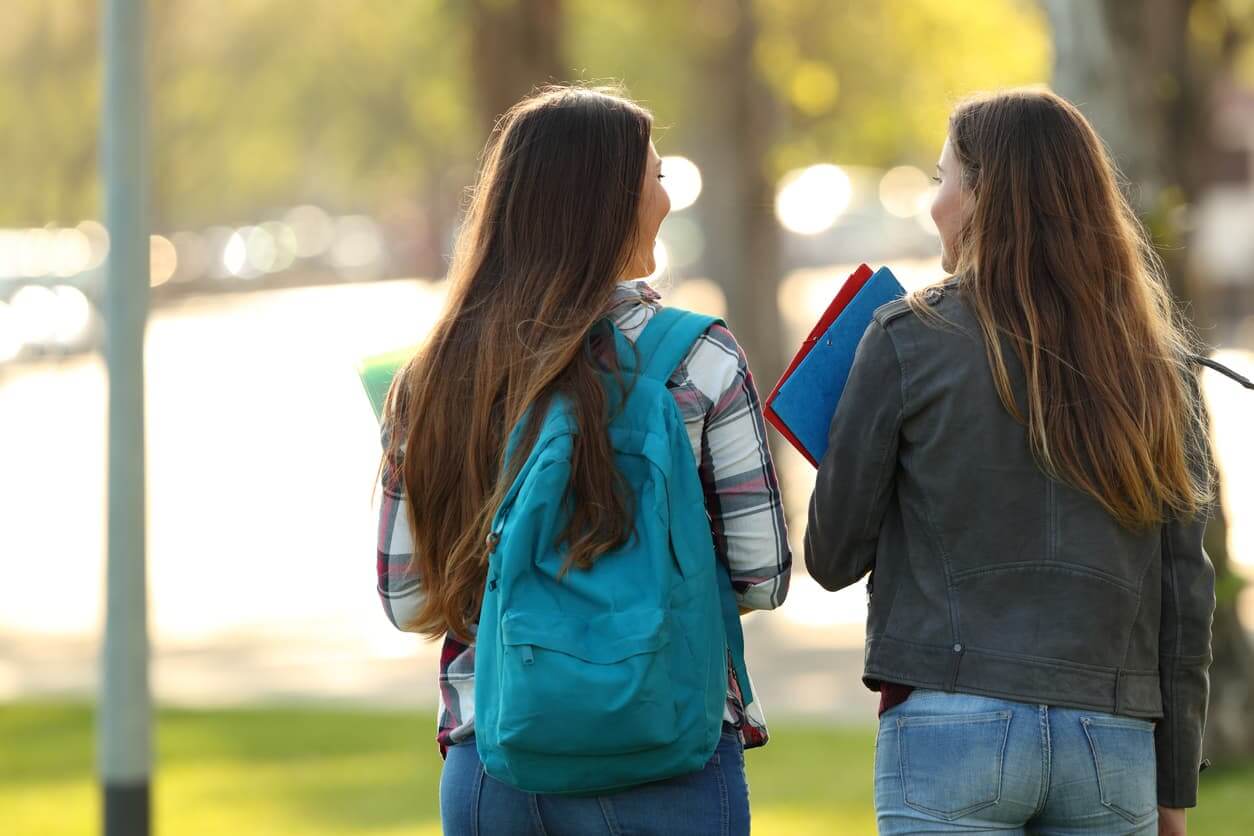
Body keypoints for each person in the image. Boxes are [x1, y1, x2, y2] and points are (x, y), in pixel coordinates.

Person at [375, 85, 791, 836]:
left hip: (497, 764)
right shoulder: (697, 358)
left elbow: (406, 599)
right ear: (616, 204)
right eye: (658, 178)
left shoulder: (433, 379)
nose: (668, 197)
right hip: (667, 755)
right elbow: (762, 575)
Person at [805, 88, 1215, 835]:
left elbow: (832, 558)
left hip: (947, 725)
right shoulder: (1160, 364)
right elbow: (1184, 595)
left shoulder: (904, 337)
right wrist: (1174, 785)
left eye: (942, 178)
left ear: (982, 195)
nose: (934, 204)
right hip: (1112, 742)